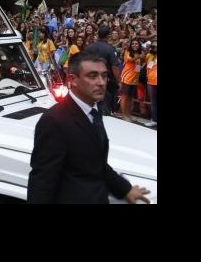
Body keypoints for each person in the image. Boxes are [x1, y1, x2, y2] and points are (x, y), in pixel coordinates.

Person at [27, 51, 151, 204]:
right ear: (73, 79)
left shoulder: (93, 110)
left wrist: (125, 189)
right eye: (92, 76)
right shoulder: (54, 121)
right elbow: (42, 181)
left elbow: (96, 162)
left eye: (104, 75)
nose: (101, 82)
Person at [84, 26, 121, 115]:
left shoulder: (89, 47)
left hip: (89, 79)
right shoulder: (110, 49)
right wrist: (119, 81)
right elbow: (114, 67)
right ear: (108, 36)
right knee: (104, 108)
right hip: (105, 82)